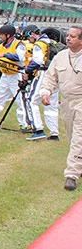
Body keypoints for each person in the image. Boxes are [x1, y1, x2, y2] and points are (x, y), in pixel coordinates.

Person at [39, 25, 82, 190]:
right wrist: (45, 92)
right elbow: (50, 77)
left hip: (81, 102)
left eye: (73, 36)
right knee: (72, 137)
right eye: (68, 35)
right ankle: (79, 164)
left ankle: (71, 175)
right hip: (66, 103)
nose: (68, 38)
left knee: (79, 137)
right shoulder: (61, 56)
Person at [23, 25, 59, 141]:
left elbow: (37, 61)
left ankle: (38, 129)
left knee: (31, 100)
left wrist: (27, 70)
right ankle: (54, 133)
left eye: (28, 38)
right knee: (51, 104)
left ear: (32, 34)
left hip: (44, 74)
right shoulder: (51, 42)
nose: (29, 40)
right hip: (56, 74)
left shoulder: (39, 45)